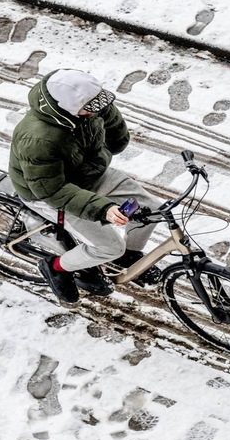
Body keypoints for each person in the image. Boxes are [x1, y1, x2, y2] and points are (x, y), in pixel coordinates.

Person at [8, 68, 158, 304]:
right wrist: (102, 208)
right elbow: (52, 191)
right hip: (51, 193)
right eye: (91, 107)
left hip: (88, 175)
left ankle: (126, 256)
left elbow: (117, 138)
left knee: (150, 209)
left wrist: (100, 157)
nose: (99, 109)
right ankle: (57, 267)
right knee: (109, 247)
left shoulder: (93, 105)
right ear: (69, 107)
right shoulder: (39, 139)